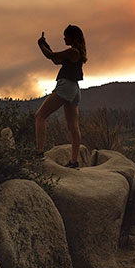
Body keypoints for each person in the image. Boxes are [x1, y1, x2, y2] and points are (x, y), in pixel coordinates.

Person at [35, 25, 87, 168]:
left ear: (72, 37)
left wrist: (41, 46)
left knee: (40, 116)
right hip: (75, 89)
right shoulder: (76, 53)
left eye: (66, 36)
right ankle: (74, 161)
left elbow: (52, 56)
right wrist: (46, 46)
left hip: (66, 86)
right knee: (73, 127)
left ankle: (39, 152)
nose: (64, 38)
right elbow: (56, 60)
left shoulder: (72, 51)